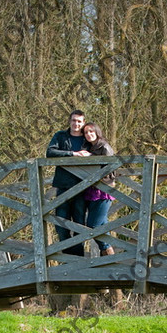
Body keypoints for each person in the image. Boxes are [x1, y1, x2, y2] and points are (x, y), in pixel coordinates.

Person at [46, 110, 91, 256]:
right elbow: (50, 152)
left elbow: (102, 149)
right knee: (61, 224)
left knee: (79, 224)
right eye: (74, 120)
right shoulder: (60, 136)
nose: (76, 124)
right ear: (69, 121)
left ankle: (77, 259)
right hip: (63, 187)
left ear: (83, 123)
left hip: (82, 187)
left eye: (79, 121)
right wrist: (73, 154)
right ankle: (67, 256)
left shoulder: (87, 139)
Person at [82, 122, 115, 256]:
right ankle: (106, 252)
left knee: (93, 224)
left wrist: (90, 158)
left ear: (97, 132)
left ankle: (107, 249)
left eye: (91, 131)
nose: (89, 134)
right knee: (102, 223)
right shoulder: (88, 147)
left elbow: (109, 170)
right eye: (86, 132)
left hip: (103, 190)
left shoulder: (104, 147)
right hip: (90, 190)